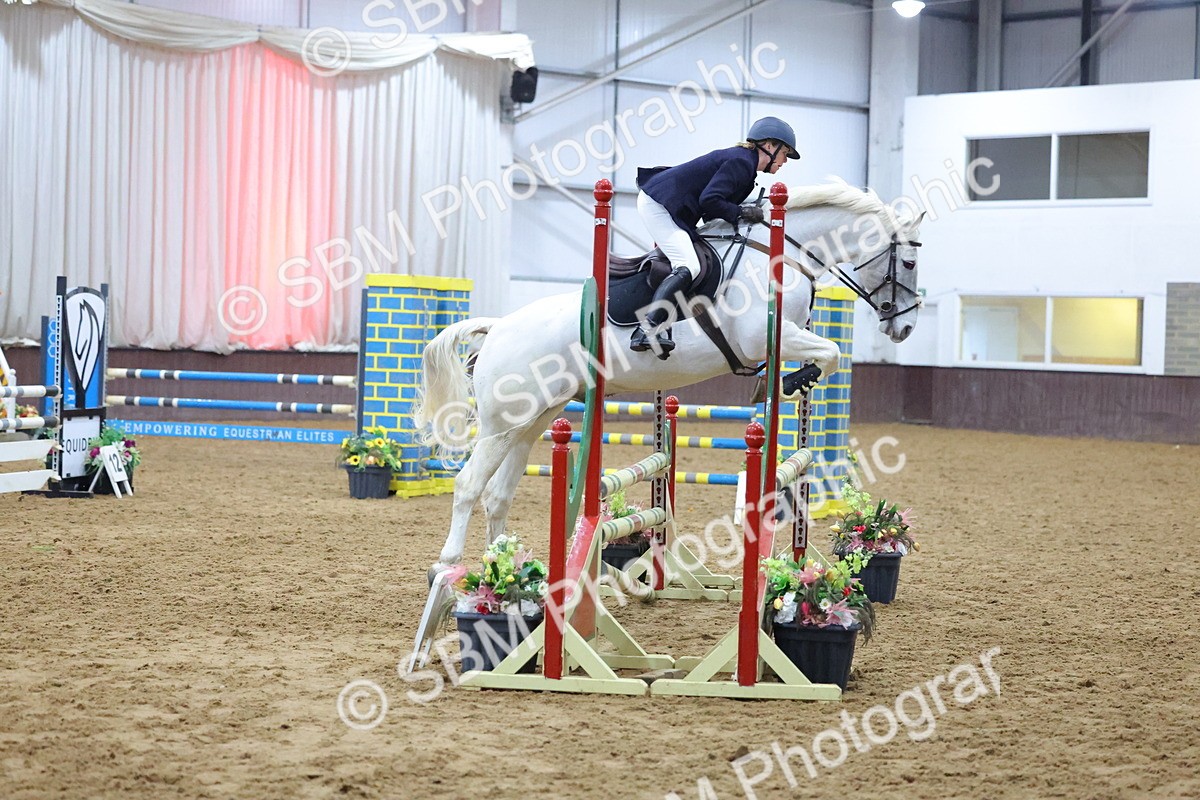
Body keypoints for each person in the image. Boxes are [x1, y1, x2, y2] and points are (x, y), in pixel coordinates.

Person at [630, 116, 800, 358]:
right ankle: (645, 330)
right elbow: (709, 200)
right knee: (689, 264)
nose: (785, 161)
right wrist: (740, 212)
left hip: (673, 206)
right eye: (785, 153)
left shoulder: (746, 166)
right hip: (659, 205)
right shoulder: (741, 163)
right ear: (769, 146)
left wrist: (741, 212)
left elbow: (712, 209)